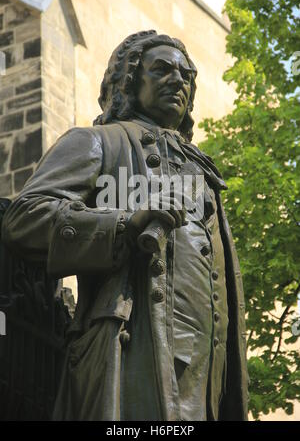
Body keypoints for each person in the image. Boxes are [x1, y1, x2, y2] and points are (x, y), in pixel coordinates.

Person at [2, 30, 248, 421]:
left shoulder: (203, 172)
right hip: (134, 356)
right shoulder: (98, 142)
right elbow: (25, 218)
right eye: (163, 69)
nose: (178, 80)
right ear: (131, 81)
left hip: (209, 381)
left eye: (187, 74)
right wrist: (123, 225)